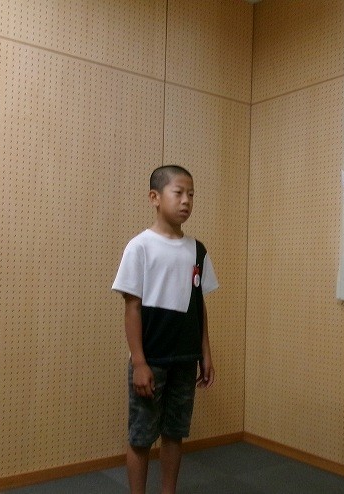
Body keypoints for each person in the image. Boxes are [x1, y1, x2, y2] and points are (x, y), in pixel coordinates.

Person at [112, 165, 219, 494]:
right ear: (154, 198)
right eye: (179, 193)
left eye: (191, 195)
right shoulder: (140, 247)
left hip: (185, 359)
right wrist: (139, 362)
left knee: (175, 433)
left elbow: (199, 306)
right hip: (152, 360)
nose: (186, 200)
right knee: (141, 436)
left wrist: (205, 354)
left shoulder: (197, 250)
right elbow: (132, 307)